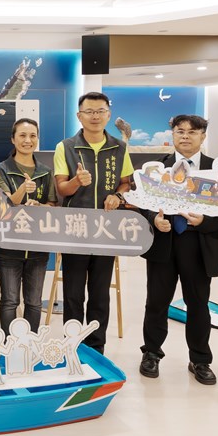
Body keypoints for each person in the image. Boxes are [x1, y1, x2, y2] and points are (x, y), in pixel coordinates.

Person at [138, 114, 218, 385]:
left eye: (193, 132)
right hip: (163, 244)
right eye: (180, 131)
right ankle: (151, 353)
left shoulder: (217, 169)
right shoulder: (156, 167)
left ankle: (200, 359)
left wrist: (205, 221)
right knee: (156, 303)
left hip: (198, 244)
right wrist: (153, 218)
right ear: (173, 135)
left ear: (203, 136)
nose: (186, 136)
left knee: (198, 305)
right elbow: (143, 202)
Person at [54, 91, 133, 353]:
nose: (95, 116)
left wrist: (118, 196)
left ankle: (96, 349)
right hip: (74, 230)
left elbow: (126, 183)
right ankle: (72, 347)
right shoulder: (65, 147)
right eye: (89, 111)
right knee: (73, 294)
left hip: (105, 231)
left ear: (108, 114)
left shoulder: (120, 148)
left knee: (100, 294)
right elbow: (61, 189)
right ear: (79, 116)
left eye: (100, 111)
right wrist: (77, 182)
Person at [0, 118, 56, 333]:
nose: (28, 140)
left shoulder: (46, 171)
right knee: (10, 301)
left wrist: (40, 205)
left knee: (34, 302)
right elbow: (6, 204)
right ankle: (10, 347)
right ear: (13, 139)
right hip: (8, 246)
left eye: (32, 136)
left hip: (38, 245)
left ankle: (31, 347)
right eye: (22, 135)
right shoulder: (1, 169)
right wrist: (23, 188)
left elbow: (52, 204)